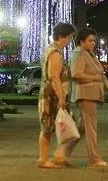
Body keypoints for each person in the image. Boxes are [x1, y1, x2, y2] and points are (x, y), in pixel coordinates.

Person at [66, 27, 108, 166]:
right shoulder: (78, 53)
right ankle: (95, 158)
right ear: (82, 41)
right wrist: (94, 77)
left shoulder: (90, 54)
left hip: (93, 95)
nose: (93, 43)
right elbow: (76, 74)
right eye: (90, 40)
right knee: (91, 128)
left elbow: (101, 76)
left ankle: (62, 153)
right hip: (85, 95)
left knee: (82, 127)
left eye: (94, 41)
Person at [37, 22, 76, 168]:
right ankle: (46, 159)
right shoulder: (55, 53)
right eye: (69, 37)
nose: (69, 41)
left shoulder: (50, 50)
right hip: (51, 96)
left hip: (48, 95)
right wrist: (61, 98)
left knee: (50, 127)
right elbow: (54, 77)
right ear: (61, 36)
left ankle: (55, 157)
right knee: (50, 127)